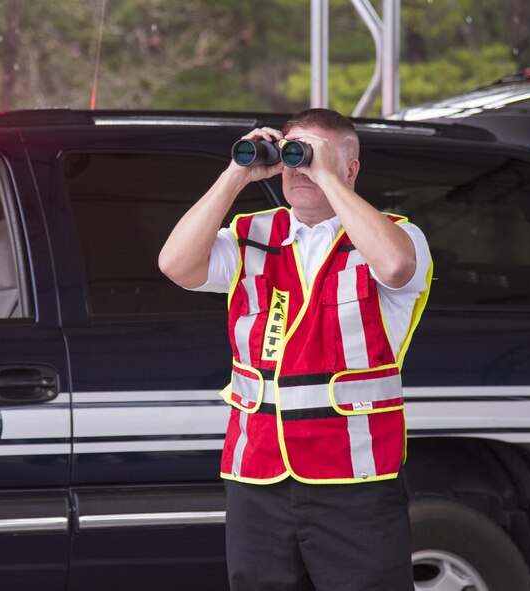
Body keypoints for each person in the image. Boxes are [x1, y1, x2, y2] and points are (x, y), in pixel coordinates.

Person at [158, 108, 432, 591]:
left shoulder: (395, 236)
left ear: (350, 168)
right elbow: (176, 265)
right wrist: (234, 175)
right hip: (257, 473)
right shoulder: (252, 236)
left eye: (311, 155)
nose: (298, 168)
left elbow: (393, 267)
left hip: (354, 479)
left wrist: (330, 180)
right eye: (291, 154)